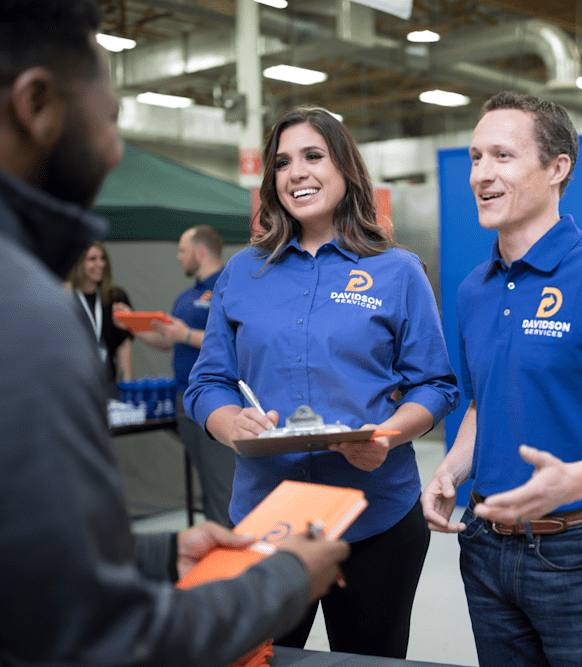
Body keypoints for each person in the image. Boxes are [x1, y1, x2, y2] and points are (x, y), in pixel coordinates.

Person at [0, 1, 352, 665]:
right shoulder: (30, 317)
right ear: (37, 104)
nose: (114, 148)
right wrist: (282, 578)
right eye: (110, 118)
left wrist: (154, 553)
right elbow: (103, 638)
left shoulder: (389, 272)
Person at [184, 106, 460, 658]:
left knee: (367, 659)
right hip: (267, 518)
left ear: (345, 170)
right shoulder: (243, 272)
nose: (296, 172)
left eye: (314, 156)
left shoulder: (397, 270)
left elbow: (436, 385)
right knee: (256, 658)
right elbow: (207, 382)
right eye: (282, 162)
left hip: (375, 516)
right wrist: (228, 422)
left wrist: (386, 435)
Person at [421, 91, 582, 667]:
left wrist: (578, 478)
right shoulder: (474, 288)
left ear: (557, 168)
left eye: (502, 157)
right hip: (484, 544)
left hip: (580, 550)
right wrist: (452, 468)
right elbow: (480, 404)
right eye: (473, 157)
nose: (481, 175)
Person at [123, 225, 237, 526]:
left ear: (200, 252)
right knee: (208, 483)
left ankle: (232, 555)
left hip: (218, 399)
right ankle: (214, 546)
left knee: (223, 483)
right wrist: (131, 325)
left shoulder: (230, 286)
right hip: (183, 397)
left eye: (182, 250)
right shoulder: (186, 297)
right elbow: (168, 340)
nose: (178, 257)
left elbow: (235, 340)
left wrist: (184, 333)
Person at [66, 240, 133, 397]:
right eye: (92, 259)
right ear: (79, 262)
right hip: (76, 386)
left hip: (107, 383)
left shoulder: (115, 297)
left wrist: (126, 386)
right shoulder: (67, 298)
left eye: (103, 258)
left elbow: (123, 344)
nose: (100, 264)